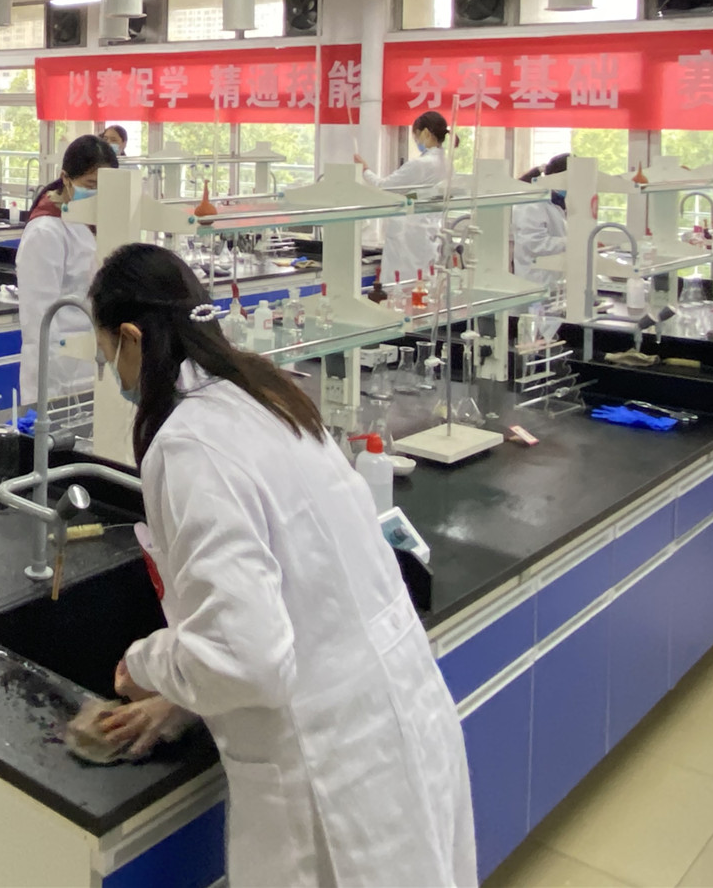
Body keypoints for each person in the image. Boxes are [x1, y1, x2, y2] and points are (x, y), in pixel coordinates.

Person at [89, 243, 476, 887]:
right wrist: (180, 699)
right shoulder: (264, 395)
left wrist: (146, 663)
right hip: (397, 721)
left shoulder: (188, 446)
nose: (116, 378)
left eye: (109, 357)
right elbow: (293, 595)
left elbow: (247, 659)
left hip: (329, 780)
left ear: (132, 337)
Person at [17, 134, 120, 407]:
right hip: (58, 377)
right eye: (91, 185)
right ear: (66, 178)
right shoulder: (46, 231)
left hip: (96, 365)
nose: (99, 194)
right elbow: (40, 318)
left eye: (106, 187)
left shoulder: (95, 222)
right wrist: (55, 381)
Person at [372, 111, 455, 286]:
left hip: (407, 234)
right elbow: (422, 194)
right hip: (430, 232)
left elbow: (384, 187)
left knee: (400, 288)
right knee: (423, 286)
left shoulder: (420, 164)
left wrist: (365, 171)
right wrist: (408, 196)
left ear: (425, 133)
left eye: (416, 135)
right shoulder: (447, 163)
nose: (416, 140)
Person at [512, 153, 570, 280]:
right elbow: (535, 244)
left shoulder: (558, 202)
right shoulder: (531, 203)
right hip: (536, 280)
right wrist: (574, 243)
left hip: (555, 280)